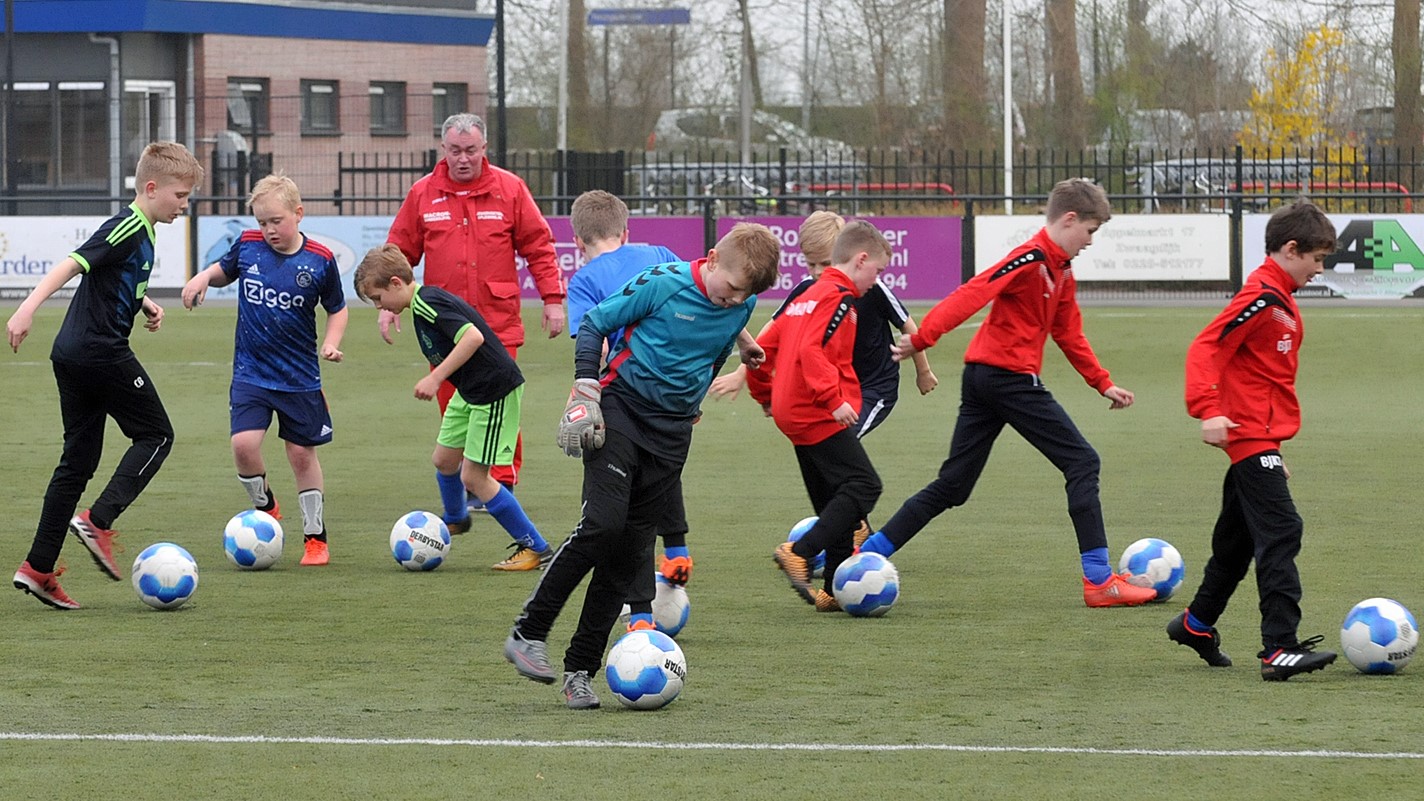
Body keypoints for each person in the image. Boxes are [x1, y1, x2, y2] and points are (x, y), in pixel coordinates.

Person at [504, 223, 780, 709]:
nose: (735, 300)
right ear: (712, 259)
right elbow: (594, 323)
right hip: (620, 411)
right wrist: (586, 387)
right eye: (733, 287)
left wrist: (697, 398)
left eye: (747, 295)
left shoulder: (741, 305)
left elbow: (718, 347)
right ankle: (529, 631)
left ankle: (579, 672)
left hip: (673, 434)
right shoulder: (663, 281)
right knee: (601, 526)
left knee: (629, 552)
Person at [857, 178, 1157, 608]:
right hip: (1006, 377)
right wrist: (923, 338)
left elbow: (1068, 332)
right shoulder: (1031, 257)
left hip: (986, 377)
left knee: (953, 485)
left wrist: (1102, 381)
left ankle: (868, 554)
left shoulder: (1061, 270)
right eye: (1090, 231)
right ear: (1069, 219)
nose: (1091, 241)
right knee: (1082, 461)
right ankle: (1099, 581)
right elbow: (974, 292)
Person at [8, 142, 203, 609]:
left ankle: (37, 568)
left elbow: (115, 282)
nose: (184, 204)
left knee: (75, 465)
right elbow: (73, 264)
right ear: (152, 188)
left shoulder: (144, 229)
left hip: (72, 355)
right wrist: (26, 309)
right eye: (180, 195)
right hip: (100, 353)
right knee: (156, 435)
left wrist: (146, 303)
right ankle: (98, 520)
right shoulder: (127, 226)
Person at [1167, 199, 1338, 681]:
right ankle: (1279, 648)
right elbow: (1207, 345)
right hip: (1248, 435)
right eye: (1316, 259)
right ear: (1290, 249)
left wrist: (1272, 450)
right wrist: (1208, 409)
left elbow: (1261, 377)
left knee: (1237, 542)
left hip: (1260, 441)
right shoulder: (1262, 295)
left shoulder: (1279, 297)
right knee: (1283, 530)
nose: (1318, 269)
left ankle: (1196, 624)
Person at [385, 112, 565, 515]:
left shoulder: (510, 189)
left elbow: (538, 245)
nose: (463, 158)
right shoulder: (423, 194)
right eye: (455, 150)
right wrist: (387, 308)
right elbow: (397, 255)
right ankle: (469, 479)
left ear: (484, 149)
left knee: (500, 403)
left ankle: (500, 480)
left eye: (470, 150)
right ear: (442, 149)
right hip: (443, 325)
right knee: (453, 406)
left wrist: (553, 298)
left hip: (498, 319)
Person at [181, 174, 348, 567]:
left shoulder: (320, 261)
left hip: (299, 378)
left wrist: (331, 342)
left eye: (276, 220)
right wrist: (204, 277)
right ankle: (267, 509)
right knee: (243, 446)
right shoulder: (249, 245)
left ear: (298, 214)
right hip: (251, 372)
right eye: (261, 222)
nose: (269, 229)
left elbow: (337, 308)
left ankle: (315, 539)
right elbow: (225, 269)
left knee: (300, 455)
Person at [354, 244, 554, 571]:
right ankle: (456, 519)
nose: (380, 307)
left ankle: (536, 548)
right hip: (469, 390)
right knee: (444, 459)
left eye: (378, 299)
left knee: (475, 478)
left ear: (395, 283)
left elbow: (472, 338)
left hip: (493, 389)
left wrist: (436, 379)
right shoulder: (420, 305)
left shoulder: (429, 302)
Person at [746, 220, 892, 611]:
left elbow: (760, 349)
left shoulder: (805, 296)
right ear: (861, 260)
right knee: (865, 486)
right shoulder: (839, 297)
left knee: (835, 498)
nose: (875, 281)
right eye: (876, 272)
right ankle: (801, 551)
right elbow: (813, 350)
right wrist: (832, 399)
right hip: (815, 409)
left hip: (790, 409)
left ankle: (831, 590)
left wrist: (763, 394)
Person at [566, 190, 694, 600]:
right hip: (675, 385)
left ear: (577, 242)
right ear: (626, 231)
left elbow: (595, 339)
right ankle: (676, 551)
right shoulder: (658, 252)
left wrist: (590, 391)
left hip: (625, 393)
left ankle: (636, 604)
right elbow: (696, 299)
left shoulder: (584, 280)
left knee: (626, 494)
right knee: (663, 465)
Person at [712, 210, 938, 438]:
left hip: (874, 387)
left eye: (826, 263)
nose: (818, 271)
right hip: (834, 389)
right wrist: (742, 373)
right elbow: (773, 333)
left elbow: (907, 325)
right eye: (811, 264)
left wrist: (924, 372)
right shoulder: (807, 289)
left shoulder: (873, 288)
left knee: (842, 440)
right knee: (825, 444)